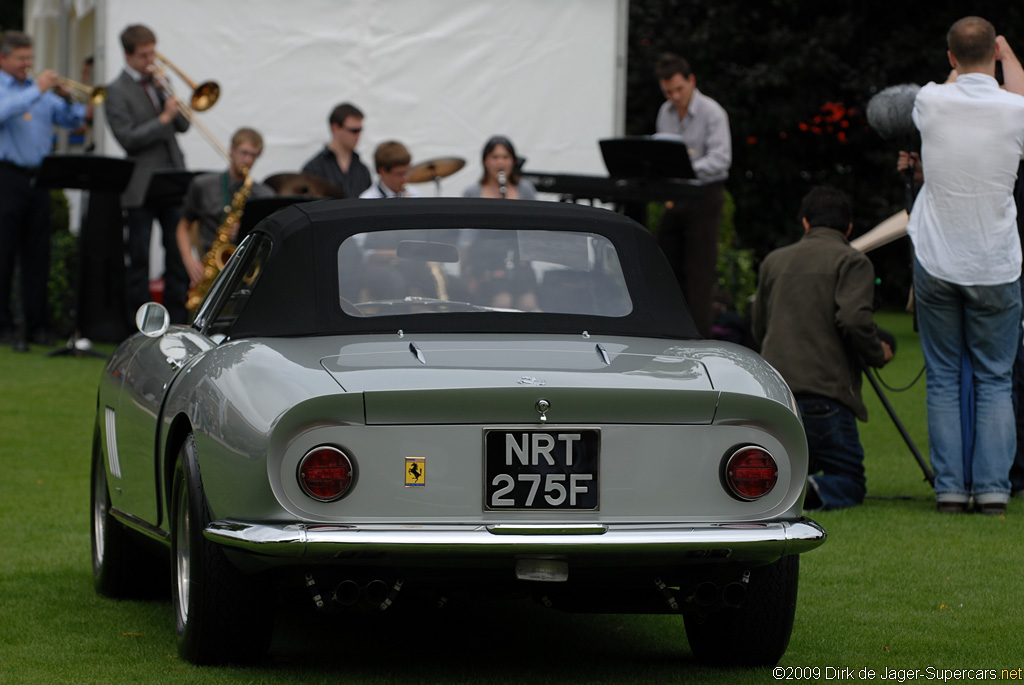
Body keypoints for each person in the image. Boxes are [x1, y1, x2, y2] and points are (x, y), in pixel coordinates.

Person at [907, 17, 1024, 515]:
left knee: (943, 376)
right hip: (996, 262)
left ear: (951, 57)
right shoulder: (1016, 110)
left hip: (937, 258)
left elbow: (954, 82)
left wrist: (971, 60)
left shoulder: (931, 100)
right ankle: (994, 490)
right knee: (996, 379)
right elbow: (1014, 91)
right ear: (994, 56)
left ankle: (951, 490)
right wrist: (1006, 55)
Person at [752, 187, 893, 510]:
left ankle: (786, 489)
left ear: (805, 222)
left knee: (783, 465)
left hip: (777, 395)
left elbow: (759, 326)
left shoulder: (774, 261)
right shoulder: (852, 261)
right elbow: (855, 319)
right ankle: (810, 490)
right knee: (850, 480)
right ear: (849, 228)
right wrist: (877, 353)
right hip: (826, 397)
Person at [0, 30, 86, 351]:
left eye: (30, 58)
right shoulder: (12, 90)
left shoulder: (42, 93)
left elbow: (74, 120)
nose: (27, 64)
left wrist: (66, 96)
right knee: (4, 253)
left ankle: (37, 325)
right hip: (7, 176)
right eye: (21, 58)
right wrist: (37, 89)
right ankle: (4, 326)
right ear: (3, 59)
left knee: (38, 253)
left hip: (40, 178)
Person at [104, 24, 191, 324]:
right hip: (140, 185)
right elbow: (128, 138)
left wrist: (171, 99)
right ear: (127, 55)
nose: (151, 59)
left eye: (153, 52)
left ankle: (178, 321)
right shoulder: (115, 92)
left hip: (173, 178)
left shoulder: (158, 81)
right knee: (139, 258)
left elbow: (184, 126)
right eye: (144, 55)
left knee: (177, 257)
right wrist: (163, 117)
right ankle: (141, 325)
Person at [653, 52, 732, 339]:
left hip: (704, 196)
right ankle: (665, 332)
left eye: (678, 89)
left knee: (699, 272)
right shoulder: (665, 112)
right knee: (664, 263)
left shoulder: (713, 112)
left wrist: (685, 168)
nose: (674, 97)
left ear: (691, 81)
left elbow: (721, 160)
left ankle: (699, 340)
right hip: (675, 196)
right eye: (668, 92)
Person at [175, 128, 273, 290]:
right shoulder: (203, 185)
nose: (248, 160)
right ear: (232, 150)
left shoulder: (264, 194)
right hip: (209, 270)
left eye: (253, 155)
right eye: (244, 153)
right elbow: (183, 226)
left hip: (246, 274)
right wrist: (189, 260)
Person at [301, 102, 372, 200]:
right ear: (335, 128)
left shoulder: (363, 170)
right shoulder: (313, 168)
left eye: (360, 130)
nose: (358, 136)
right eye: (354, 131)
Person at [462, 136, 536, 200]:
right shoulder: (471, 192)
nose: (500, 162)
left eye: (505, 157)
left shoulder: (526, 189)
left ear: (513, 161)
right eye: (495, 157)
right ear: (485, 161)